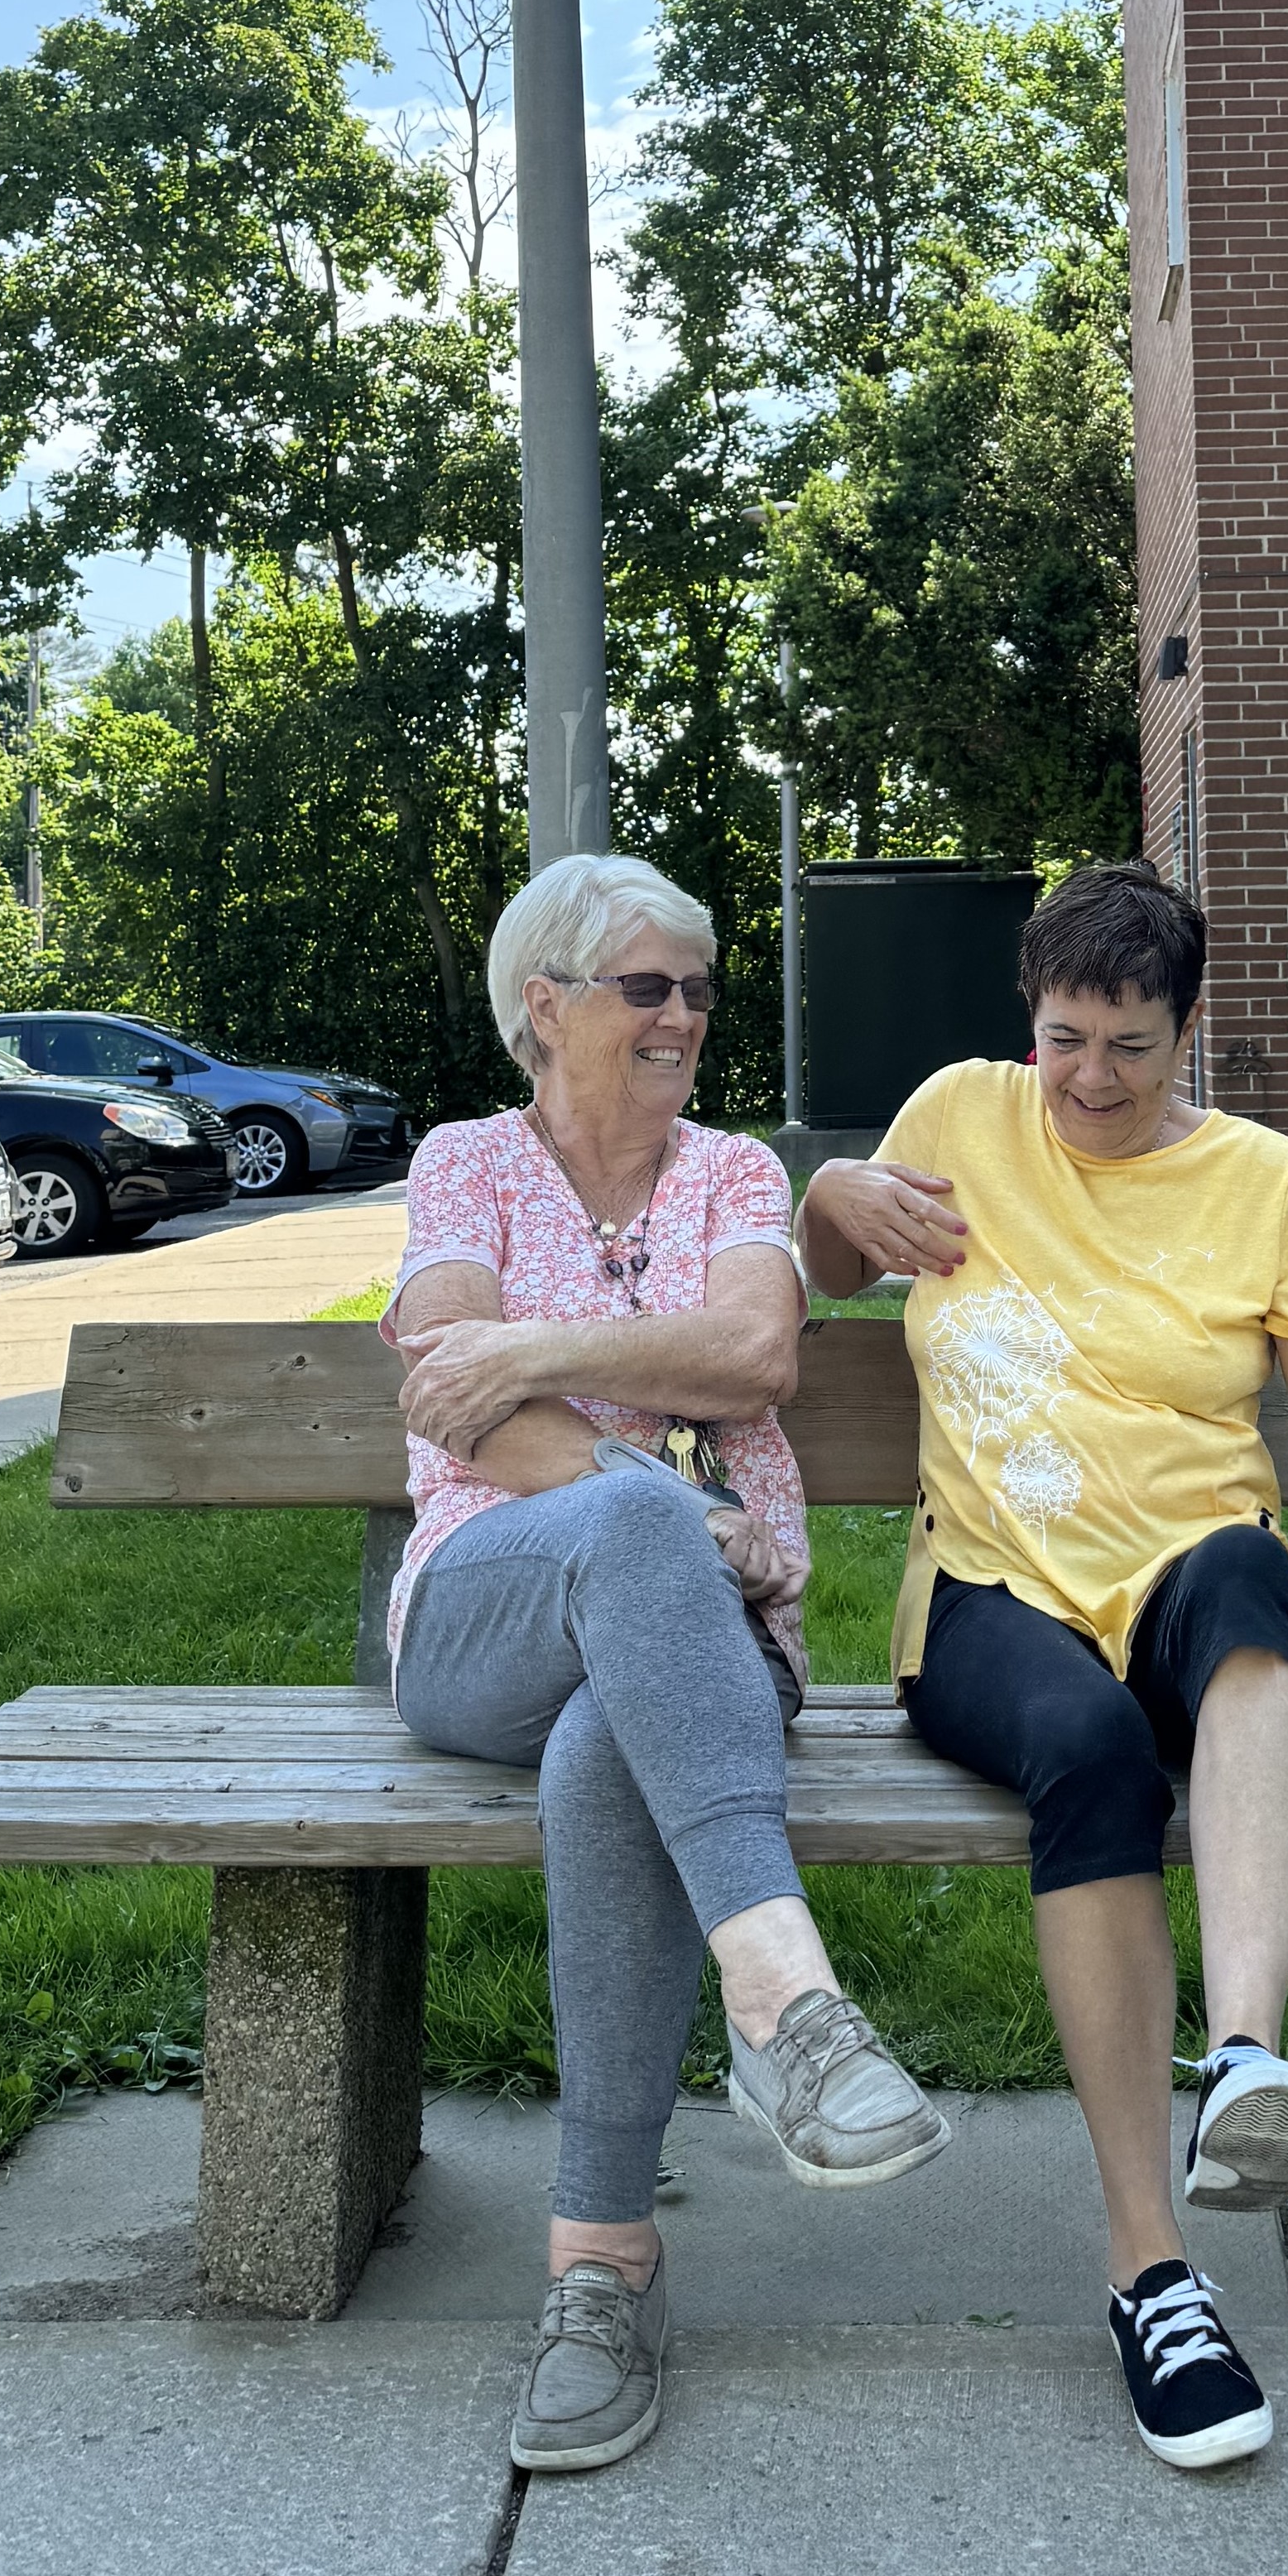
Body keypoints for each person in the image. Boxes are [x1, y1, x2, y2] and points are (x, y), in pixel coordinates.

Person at [796, 861, 1288, 2472]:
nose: (1089, 1079)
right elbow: (831, 1260)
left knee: (1249, 1579)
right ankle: (1153, 2269)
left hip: (1184, 1586)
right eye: (1065, 1039)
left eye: (1130, 1048)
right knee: (1085, 1744)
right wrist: (832, 1202)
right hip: (987, 1600)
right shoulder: (960, 1113)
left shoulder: (1265, 1183)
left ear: (1186, 1032)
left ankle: (1244, 2061)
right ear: (1031, 1018)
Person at [387, 852, 948, 2477]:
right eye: (650, 986)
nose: (685, 1015)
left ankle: (598, 2271)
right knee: (643, 1532)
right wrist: (660, 1485)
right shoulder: (465, 1165)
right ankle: (787, 2008)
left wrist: (539, 1348)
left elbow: (758, 1351)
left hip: (709, 1662)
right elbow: (457, 1407)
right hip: (486, 1616)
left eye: (700, 989)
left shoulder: (729, 1179)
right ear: (543, 1007)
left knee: (604, 1751)